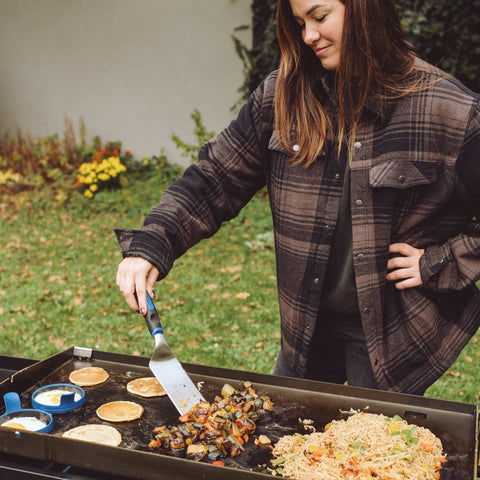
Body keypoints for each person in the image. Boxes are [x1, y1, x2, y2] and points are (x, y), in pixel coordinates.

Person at [115, 0, 480, 396]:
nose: (308, 36)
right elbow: (215, 177)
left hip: (390, 338)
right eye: (299, 22)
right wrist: (152, 244)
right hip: (304, 329)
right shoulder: (281, 96)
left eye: (320, 17)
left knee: (364, 455)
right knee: (283, 443)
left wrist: (439, 261)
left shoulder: (450, 110)